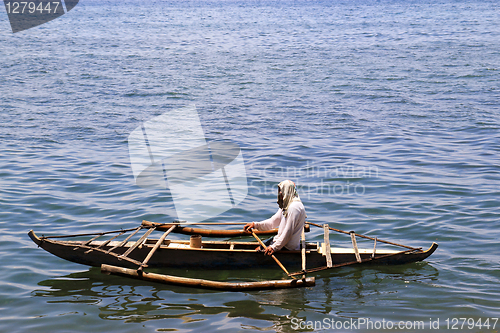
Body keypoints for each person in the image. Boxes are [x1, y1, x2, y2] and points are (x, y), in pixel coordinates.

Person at [244, 180, 306, 256]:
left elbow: (288, 232)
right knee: (257, 249)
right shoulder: (287, 204)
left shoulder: (294, 208)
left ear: (287, 191)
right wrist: (255, 225)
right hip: (280, 241)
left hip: (287, 246)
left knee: (257, 254)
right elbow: (272, 222)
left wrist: (274, 247)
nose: (279, 194)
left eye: (281, 191)